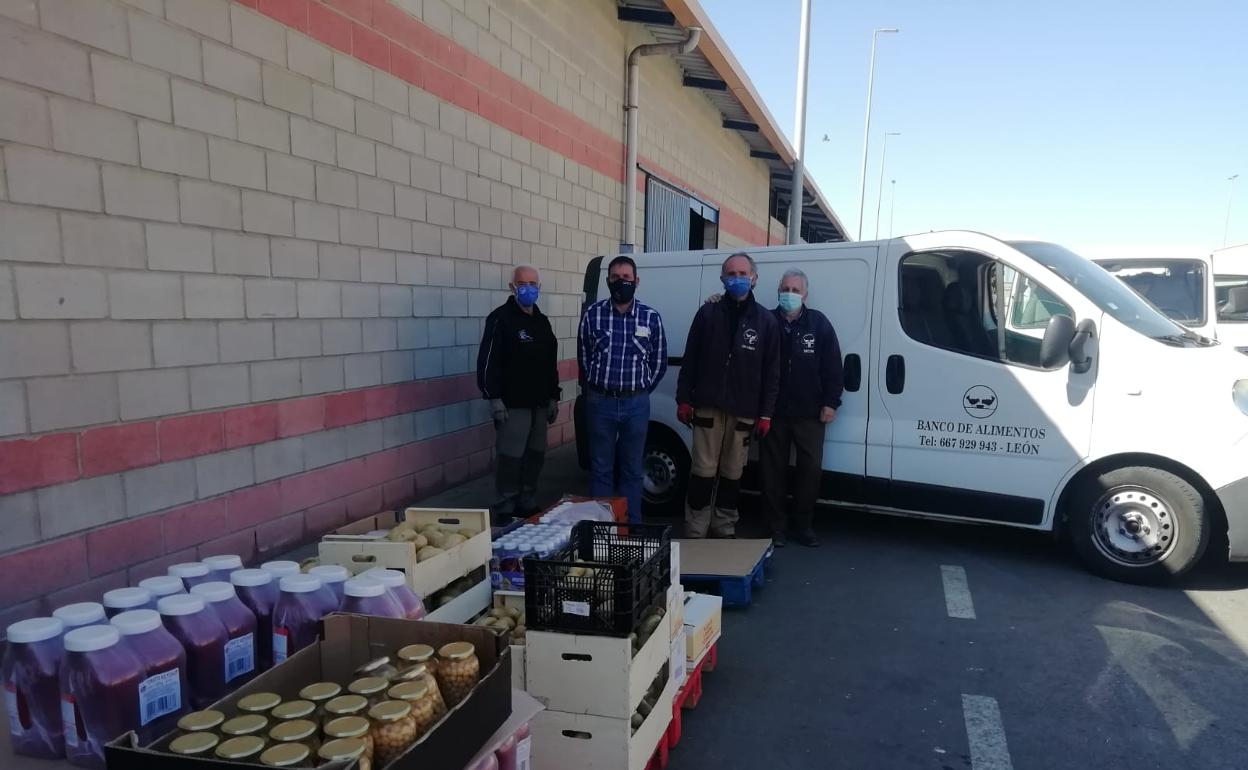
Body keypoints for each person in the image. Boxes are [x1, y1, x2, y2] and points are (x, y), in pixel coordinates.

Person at [676, 253, 780, 538]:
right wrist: (683, 399)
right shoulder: (707, 313)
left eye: (743, 273)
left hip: (745, 410)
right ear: (722, 278)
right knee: (702, 471)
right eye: (731, 273)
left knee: (733, 472)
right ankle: (696, 527)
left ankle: (723, 525)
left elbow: (772, 372)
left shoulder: (765, 321)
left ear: (754, 278)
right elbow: (691, 360)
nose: (737, 279)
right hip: (708, 407)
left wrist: (766, 413)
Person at [578, 256, 668, 523]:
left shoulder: (650, 317)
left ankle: (632, 527)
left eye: (626, 277)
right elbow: (584, 357)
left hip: (635, 404)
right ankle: (602, 528)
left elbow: (658, 362)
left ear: (636, 281)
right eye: (615, 277)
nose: (621, 282)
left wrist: (638, 389)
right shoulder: (592, 315)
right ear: (608, 281)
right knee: (601, 469)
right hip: (600, 403)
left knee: (632, 469)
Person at [760, 269, 843, 548]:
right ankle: (775, 528)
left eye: (795, 290)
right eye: (785, 289)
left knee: (809, 471)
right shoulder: (766, 321)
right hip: (773, 412)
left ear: (805, 294)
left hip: (810, 413)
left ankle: (803, 525)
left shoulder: (819, 324)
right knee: (772, 472)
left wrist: (831, 402)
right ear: (778, 291)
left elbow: (833, 367)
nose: (790, 294)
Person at [476, 265, 560, 521]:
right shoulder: (500, 319)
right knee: (511, 456)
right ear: (512, 287)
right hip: (513, 404)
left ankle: (527, 499)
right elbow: (487, 361)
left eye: (533, 284)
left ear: (539, 287)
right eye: (523, 284)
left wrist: (554, 395)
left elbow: (550, 362)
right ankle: (505, 505)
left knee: (535, 455)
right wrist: (493, 398)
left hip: (539, 403)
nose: (529, 289)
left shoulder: (542, 322)